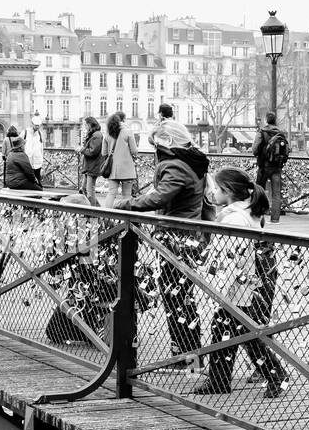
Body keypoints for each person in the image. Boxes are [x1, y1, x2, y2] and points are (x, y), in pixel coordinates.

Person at [114, 103, 210, 358]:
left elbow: (159, 198)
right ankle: (186, 353)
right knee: (179, 297)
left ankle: (189, 355)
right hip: (188, 235)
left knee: (176, 298)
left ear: (165, 145)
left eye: (156, 145)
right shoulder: (193, 161)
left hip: (176, 238)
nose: (154, 151)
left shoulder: (175, 165)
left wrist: (126, 203)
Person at [192, 167, 287, 398]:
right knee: (230, 329)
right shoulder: (245, 212)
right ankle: (222, 379)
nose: (212, 192)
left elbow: (231, 258)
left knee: (237, 330)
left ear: (228, 191)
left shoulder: (235, 218)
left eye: (216, 188)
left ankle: (272, 374)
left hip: (239, 285)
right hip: (247, 283)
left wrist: (219, 288)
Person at [252, 112, 289, 223]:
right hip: (277, 166)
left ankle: (259, 215)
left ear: (266, 120)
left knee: (259, 190)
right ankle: (275, 219)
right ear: (275, 120)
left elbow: (255, 149)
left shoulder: (262, 132)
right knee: (276, 193)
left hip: (264, 166)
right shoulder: (281, 133)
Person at [103, 111, 139, 208]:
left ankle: (106, 218)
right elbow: (135, 151)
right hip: (127, 169)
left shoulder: (108, 133)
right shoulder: (128, 131)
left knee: (111, 194)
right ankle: (125, 220)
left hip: (112, 169)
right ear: (123, 120)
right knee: (127, 195)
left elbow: (104, 153)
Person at [79, 116, 105, 206]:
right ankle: (97, 208)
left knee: (90, 191)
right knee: (84, 188)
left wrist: (81, 149)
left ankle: (93, 213)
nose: (84, 127)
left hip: (93, 166)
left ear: (90, 124)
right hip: (89, 166)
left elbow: (93, 152)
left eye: (85, 125)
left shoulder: (97, 135)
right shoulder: (94, 134)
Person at [24, 117, 45, 185]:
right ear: (32, 124)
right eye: (36, 125)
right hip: (28, 160)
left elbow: (41, 147)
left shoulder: (40, 133)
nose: (37, 127)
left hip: (37, 160)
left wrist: (41, 158)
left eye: (38, 125)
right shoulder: (25, 132)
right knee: (29, 179)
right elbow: (20, 144)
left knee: (38, 180)